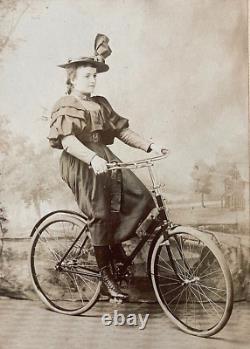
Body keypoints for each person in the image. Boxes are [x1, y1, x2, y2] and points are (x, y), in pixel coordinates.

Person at [48, 34, 167, 300]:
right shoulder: (65, 105)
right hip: (80, 161)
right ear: (72, 79)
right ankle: (106, 276)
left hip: (104, 156)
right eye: (87, 75)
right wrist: (91, 159)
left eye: (94, 76)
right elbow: (67, 141)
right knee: (100, 214)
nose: (92, 80)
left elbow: (123, 131)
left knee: (140, 197)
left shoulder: (100, 103)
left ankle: (112, 244)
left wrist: (150, 146)